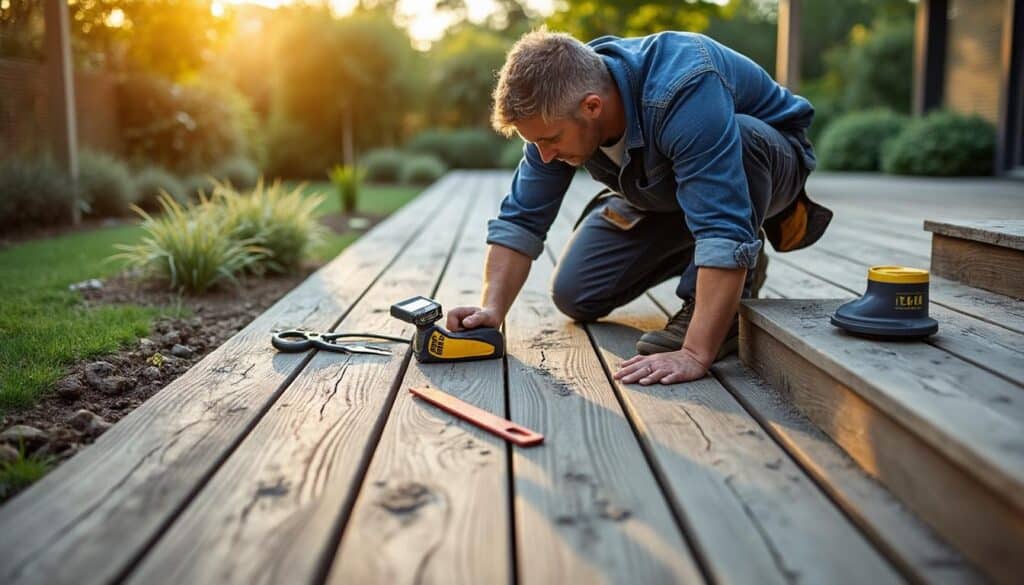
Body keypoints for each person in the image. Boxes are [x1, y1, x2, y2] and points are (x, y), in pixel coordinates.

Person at [446, 29, 832, 385]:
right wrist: (491, 310)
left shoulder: (683, 87)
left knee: (739, 142)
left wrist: (694, 353)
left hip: (768, 162)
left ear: (592, 106)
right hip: (660, 190)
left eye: (550, 140)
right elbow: (521, 219)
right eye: (536, 143)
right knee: (576, 293)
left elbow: (722, 228)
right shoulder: (557, 109)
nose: (544, 155)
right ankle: (724, 260)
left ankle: (727, 289)